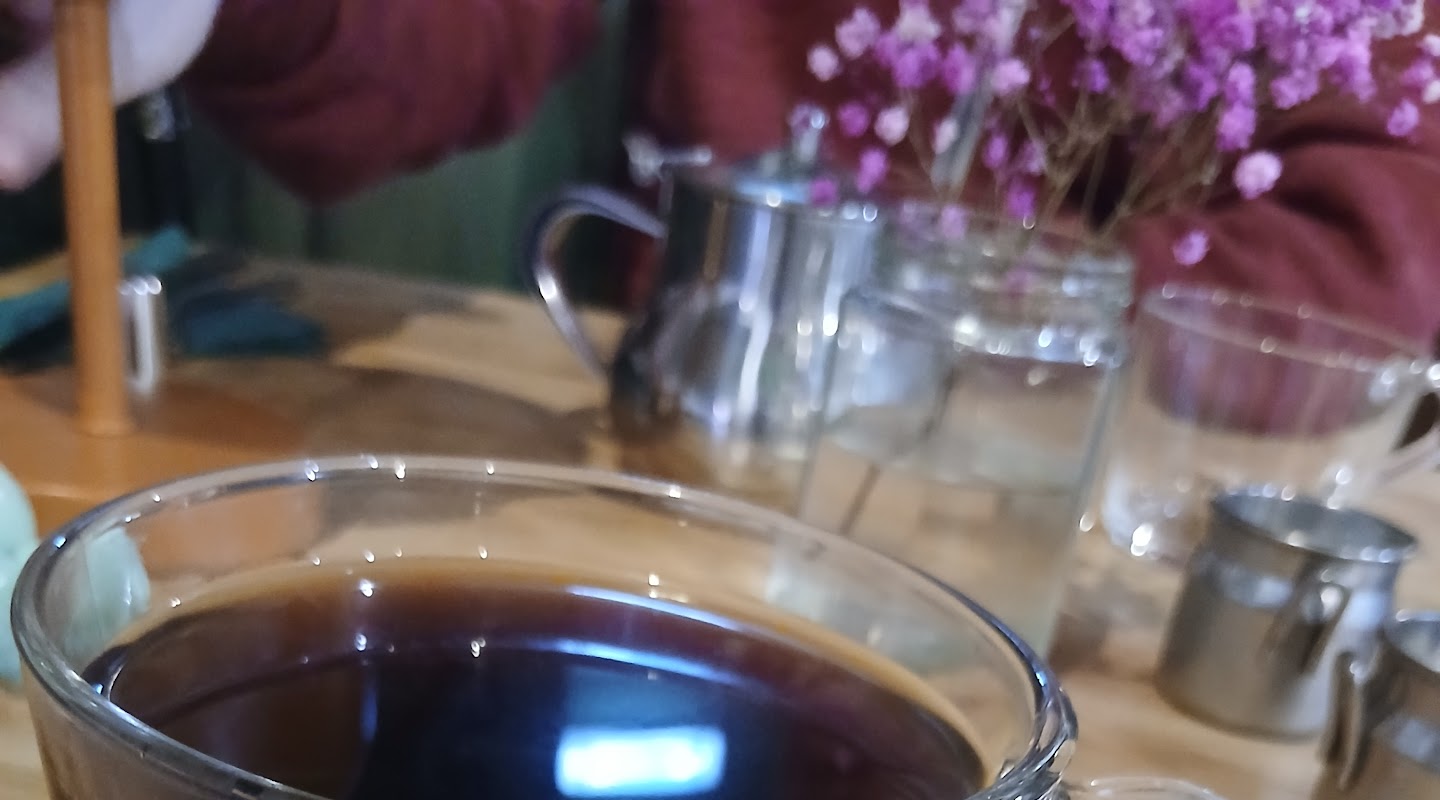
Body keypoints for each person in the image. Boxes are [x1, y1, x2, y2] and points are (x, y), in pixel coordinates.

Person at [1, 0, 1438, 340]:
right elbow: (453, 38)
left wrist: (966, 329)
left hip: (1092, 583)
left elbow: (1375, 258)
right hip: (683, 467)